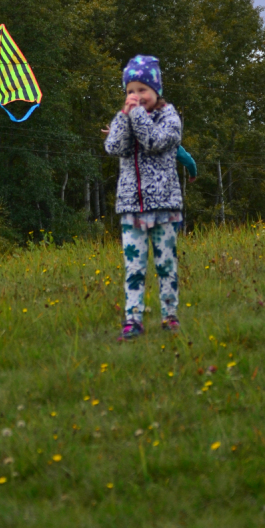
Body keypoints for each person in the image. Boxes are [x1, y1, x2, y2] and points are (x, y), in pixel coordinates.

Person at [104, 54, 183, 342]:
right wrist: (124, 118)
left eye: (142, 90)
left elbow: (153, 142)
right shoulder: (125, 116)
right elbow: (114, 147)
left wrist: (137, 115)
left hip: (164, 207)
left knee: (166, 266)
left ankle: (170, 316)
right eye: (130, 91)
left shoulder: (169, 117)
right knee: (134, 268)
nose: (136, 96)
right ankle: (133, 320)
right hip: (131, 208)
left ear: (156, 91)